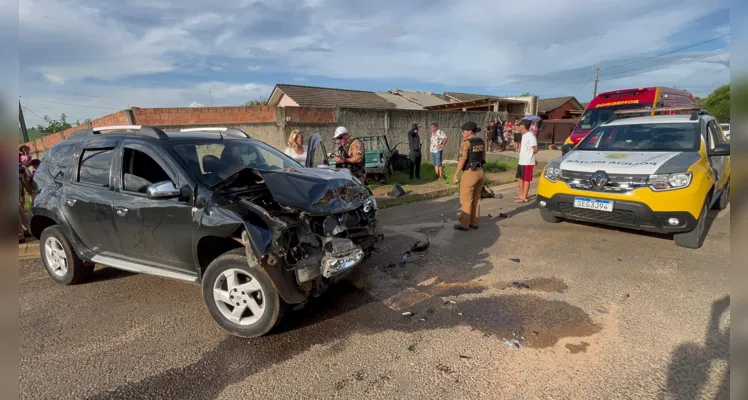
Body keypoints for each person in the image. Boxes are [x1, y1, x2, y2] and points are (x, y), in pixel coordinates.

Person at [452, 121, 485, 231]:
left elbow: (462, 160)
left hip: (470, 172)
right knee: (476, 198)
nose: (462, 133)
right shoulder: (481, 141)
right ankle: (474, 223)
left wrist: (456, 174)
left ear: (470, 132)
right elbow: (483, 158)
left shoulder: (466, 143)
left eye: (463, 131)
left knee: (466, 199)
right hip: (480, 171)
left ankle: (464, 225)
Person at [515, 118, 539, 203]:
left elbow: (536, 149)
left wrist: (529, 155)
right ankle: (521, 194)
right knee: (519, 177)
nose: (518, 127)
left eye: (520, 125)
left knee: (526, 179)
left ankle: (524, 197)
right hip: (521, 161)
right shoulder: (524, 135)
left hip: (528, 162)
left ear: (524, 126)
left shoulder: (530, 135)